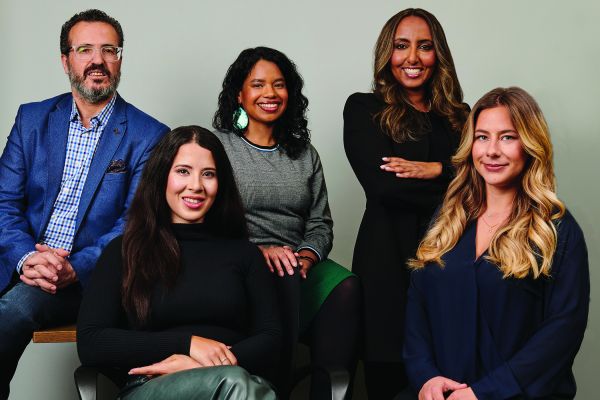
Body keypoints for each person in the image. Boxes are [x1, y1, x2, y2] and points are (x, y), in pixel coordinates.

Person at [0, 9, 168, 399]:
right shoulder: (32, 119)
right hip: (22, 258)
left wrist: (70, 268)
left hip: (87, 278)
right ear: (66, 60)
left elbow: (133, 224)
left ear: (120, 59)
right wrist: (27, 257)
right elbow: (4, 202)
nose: (98, 60)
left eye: (109, 49)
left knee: (10, 314)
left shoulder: (150, 135)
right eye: (85, 49)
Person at [402, 87, 589, 400]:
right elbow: (417, 305)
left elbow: (563, 330)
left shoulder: (557, 230)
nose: (491, 151)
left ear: (530, 145)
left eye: (507, 137)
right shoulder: (448, 219)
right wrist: (426, 377)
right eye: (482, 136)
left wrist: (482, 394)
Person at [77, 126, 280, 399]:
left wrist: (199, 365)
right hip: (150, 387)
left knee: (239, 384)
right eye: (183, 171)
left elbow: (272, 339)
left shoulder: (244, 254)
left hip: (237, 382)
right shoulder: (124, 251)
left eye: (208, 174)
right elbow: (91, 341)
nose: (195, 185)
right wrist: (188, 344)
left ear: (221, 184)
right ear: (162, 177)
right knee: (240, 385)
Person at [213, 46, 360, 399]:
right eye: (258, 84)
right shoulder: (217, 147)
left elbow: (320, 222)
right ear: (239, 94)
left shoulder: (305, 154)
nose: (270, 94)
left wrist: (307, 256)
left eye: (279, 85)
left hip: (298, 263)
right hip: (238, 261)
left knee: (347, 287)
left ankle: (328, 392)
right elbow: (206, 216)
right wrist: (257, 251)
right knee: (279, 283)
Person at [343, 8, 469, 399]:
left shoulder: (461, 117)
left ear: (439, 55)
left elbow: (481, 184)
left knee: (450, 376)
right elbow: (384, 188)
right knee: (389, 379)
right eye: (401, 46)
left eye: (424, 46)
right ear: (388, 53)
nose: (412, 57)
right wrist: (453, 176)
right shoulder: (365, 109)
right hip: (387, 262)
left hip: (453, 259)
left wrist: (434, 169)